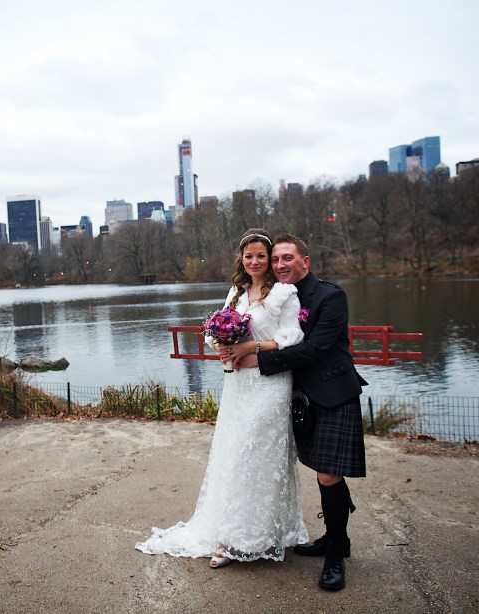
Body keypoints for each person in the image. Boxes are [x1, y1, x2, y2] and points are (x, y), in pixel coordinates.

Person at [135, 228, 308, 568]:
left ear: (269, 259)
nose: (255, 261)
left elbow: (291, 338)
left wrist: (249, 346)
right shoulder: (236, 292)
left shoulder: (284, 294)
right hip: (239, 384)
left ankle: (246, 538)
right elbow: (215, 329)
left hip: (270, 383)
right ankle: (227, 532)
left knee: (259, 458)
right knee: (234, 454)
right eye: (249, 256)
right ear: (241, 260)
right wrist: (220, 346)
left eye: (261, 255)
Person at [236, 233, 367, 591]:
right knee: (324, 472)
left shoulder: (330, 296)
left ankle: (335, 555)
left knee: (328, 474)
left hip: (333, 393)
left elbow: (315, 348)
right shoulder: (276, 294)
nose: (280, 265)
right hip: (297, 396)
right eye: (275, 259)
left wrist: (258, 359)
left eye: (287, 258)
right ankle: (335, 536)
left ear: (305, 261)